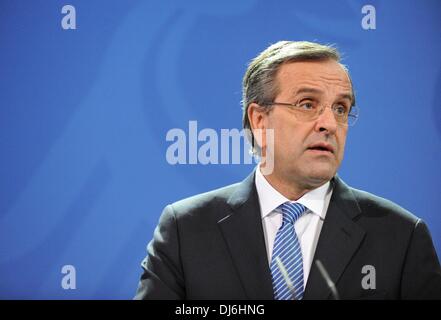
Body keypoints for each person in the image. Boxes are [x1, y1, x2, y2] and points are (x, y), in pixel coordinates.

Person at [134, 41, 441, 300]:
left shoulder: (401, 237)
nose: (330, 124)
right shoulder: (185, 229)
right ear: (259, 120)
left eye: (341, 109)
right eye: (307, 104)